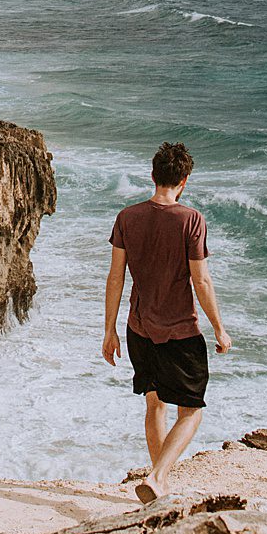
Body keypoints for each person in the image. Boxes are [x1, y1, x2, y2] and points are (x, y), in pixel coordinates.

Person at [102, 141, 230, 504]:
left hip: (138, 329)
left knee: (154, 405)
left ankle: (159, 488)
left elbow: (115, 277)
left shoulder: (127, 217)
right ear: (184, 181)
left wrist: (110, 330)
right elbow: (201, 280)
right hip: (180, 332)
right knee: (191, 411)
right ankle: (158, 476)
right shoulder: (191, 220)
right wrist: (219, 328)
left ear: (153, 175)